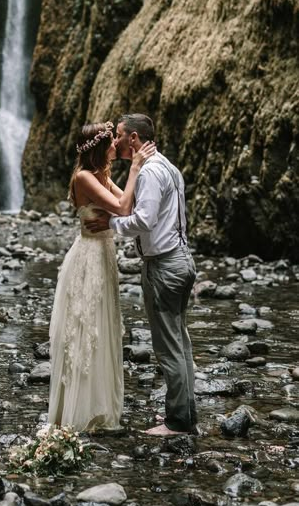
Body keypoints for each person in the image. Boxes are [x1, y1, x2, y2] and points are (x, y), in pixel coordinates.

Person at [85, 113, 197, 437]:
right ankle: (187, 417)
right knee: (182, 343)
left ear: (133, 138)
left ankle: (177, 423)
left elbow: (144, 220)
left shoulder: (149, 172)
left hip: (164, 267)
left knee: (168, 347)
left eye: (119, 135)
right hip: (182, 261)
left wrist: (110, 224)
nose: (114, 141)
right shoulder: (170, 169)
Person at [48, 121, 155, 432]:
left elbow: (130, 206)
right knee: (85, 328)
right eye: (110, 142)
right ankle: (78, 411)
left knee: (102, 327)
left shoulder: (101, 176)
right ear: (97, 148)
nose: (116, 147)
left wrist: (112, 215)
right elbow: (124, 208)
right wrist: (135, 168)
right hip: (88, 259)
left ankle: (98, 406)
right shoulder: (83, 177)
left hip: (103, 256)